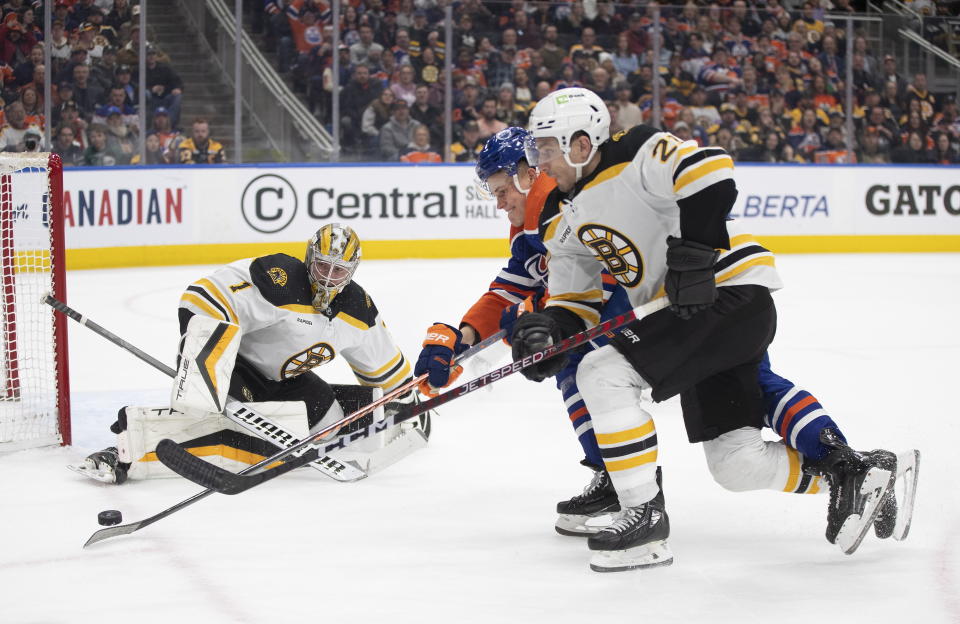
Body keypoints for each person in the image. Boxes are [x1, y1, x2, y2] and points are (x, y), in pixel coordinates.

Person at [517, 88, 903, 571]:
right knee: (735, 464)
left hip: (728, 292)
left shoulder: (634, 150)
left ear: (580, 142)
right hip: (690, 314)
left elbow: (711, 170)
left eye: (545, 148)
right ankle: (858, 475)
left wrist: (694, 255)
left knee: (602, 372)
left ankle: (644, 518)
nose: (540, 161)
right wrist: (550, 332)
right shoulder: (557, 216)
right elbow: (577, 301)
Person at [78, 224, 423, 484]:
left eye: (339, 271)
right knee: (228, 427)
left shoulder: (357, 310)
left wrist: (413, 404)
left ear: (352, 272)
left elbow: (386, 368)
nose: (329, 279)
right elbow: (202, 296)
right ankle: (128, 448)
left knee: (331, 426)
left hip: (284, 382)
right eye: (322, 266)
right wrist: (208, 361)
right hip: (236, 368)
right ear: (309, 258)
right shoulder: (279, 278)